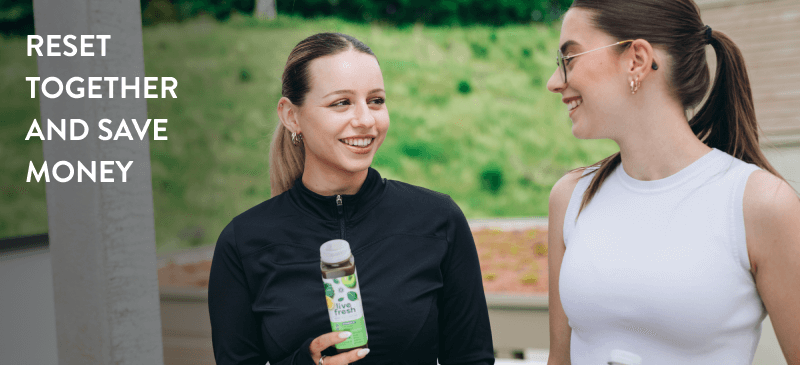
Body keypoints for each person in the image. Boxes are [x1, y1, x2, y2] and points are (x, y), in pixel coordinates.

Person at [208, 32, 494, 365]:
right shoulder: (242, 242)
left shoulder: (438, 220)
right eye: (341, 102)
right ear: (291, 116)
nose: (366, 120)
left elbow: (472, 359)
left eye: (376, 101)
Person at [544, 1, 800, 364]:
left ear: (637, 59)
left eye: (570, 59)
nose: (554, 82)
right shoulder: (571, 197)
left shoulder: (759, 204)